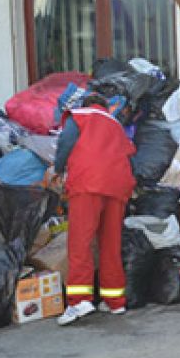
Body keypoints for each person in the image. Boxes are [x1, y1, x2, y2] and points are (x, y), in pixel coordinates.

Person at [53, 92, 137, 326]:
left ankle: (79, 300)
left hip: (88, 183)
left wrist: (57, 168)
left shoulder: (79, 116)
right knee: (110, 243)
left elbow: (66, 143)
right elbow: (131, 160)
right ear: (104, 106)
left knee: (81, 242)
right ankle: (115, 301)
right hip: (117, 186)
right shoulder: (116, 125)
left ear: (86, 105)